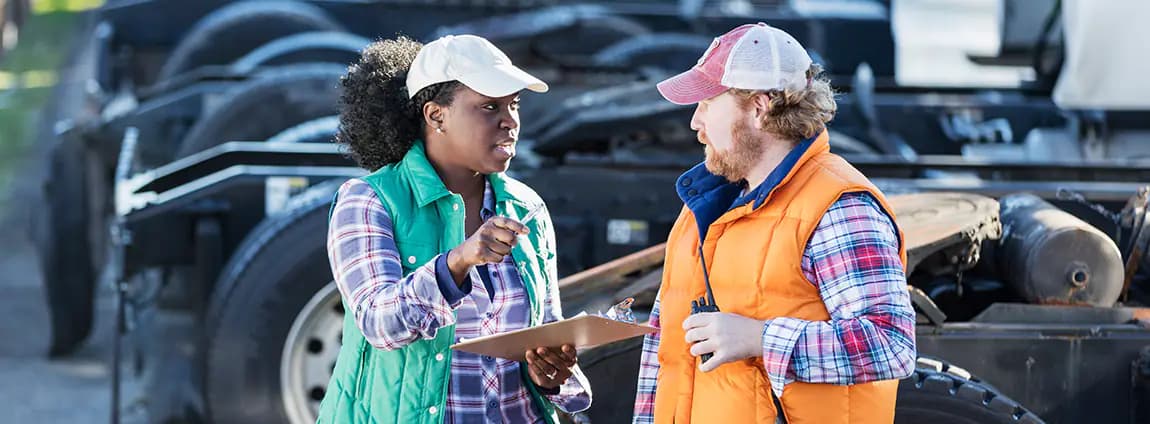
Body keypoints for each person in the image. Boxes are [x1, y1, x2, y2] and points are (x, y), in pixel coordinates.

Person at [631, 23, 916, 424]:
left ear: (760, 107)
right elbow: (664, 360)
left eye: (709, 103)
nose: (695, 122)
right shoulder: (703, 208)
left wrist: (761, 339)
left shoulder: (840, 208)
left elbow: (891, 345)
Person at [317, 34, 591, 423]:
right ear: (436, 115)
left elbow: (544, 331)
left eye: (514, 105)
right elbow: (380, 325)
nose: (510, 121)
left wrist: (550, 377)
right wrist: (458, 262)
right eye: (489, 106)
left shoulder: (527, 206)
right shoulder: (367, 200)